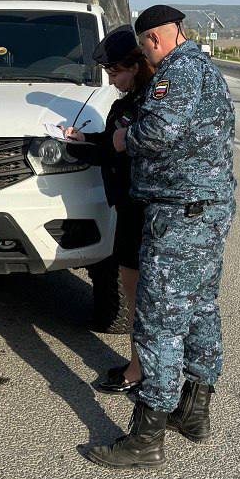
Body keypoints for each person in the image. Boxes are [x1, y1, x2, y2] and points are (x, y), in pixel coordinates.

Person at [84, 4, 236, 469]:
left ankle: (145, 437)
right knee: (201, 309)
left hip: (179, 215)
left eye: (144, 46)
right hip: (206, 210)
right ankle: (194, 411)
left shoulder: (177, 73)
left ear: (153, 40)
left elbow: (160, 131)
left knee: (158, 323)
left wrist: (123, 137)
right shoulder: (207, 70)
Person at [63, 25, 155, 395]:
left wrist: (111, 144)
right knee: (134, 294)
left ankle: (142, 371)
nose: (112, 80)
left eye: (116, 72)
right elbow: (112, 145)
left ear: (135, 64)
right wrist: (84, 140)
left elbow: (136, 146)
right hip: (127, 209)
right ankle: (138, 364)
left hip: (144, 209)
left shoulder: (154, 102)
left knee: (144, 297)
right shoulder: (126, 102)